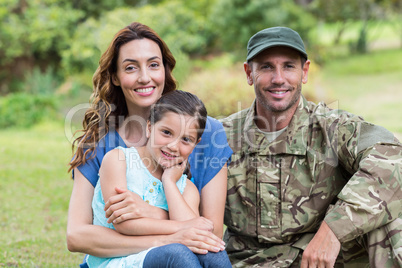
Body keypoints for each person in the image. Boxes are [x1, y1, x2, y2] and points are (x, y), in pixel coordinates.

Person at [220, 26, 402, 267]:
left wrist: (334, 229)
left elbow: (393, 159)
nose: (278, 78)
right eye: (266, 66)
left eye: (288, 66)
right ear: (248, 73)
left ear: (304, 72)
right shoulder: (219, 136)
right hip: (249, 261)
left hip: (322, 259)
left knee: (388, 218)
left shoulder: (332, 127)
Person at [67, 22, 232, 267]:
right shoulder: (102, 146)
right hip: (127, 260)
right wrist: (171, 236)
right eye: (131, 67)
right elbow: (77, 236)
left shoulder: (208, 133)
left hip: (187, 255)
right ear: (115, 76)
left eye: (154, 65)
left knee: (210, 251)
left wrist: (148, 211)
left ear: (165, 70)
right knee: (178, 253)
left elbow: (210, 232)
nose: (145, 77)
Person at [87, 90, 232, 267]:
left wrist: (169, 183)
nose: (173, 146)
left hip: (162, 258)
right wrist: (180, 229)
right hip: (117, 260)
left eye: (186, 139)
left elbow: (198, 234)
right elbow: (124, 224)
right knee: (177, 253)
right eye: (166, 132)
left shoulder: (186, 188)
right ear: (149, 127)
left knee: (211, 249)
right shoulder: (119, 161)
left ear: (196, 143)